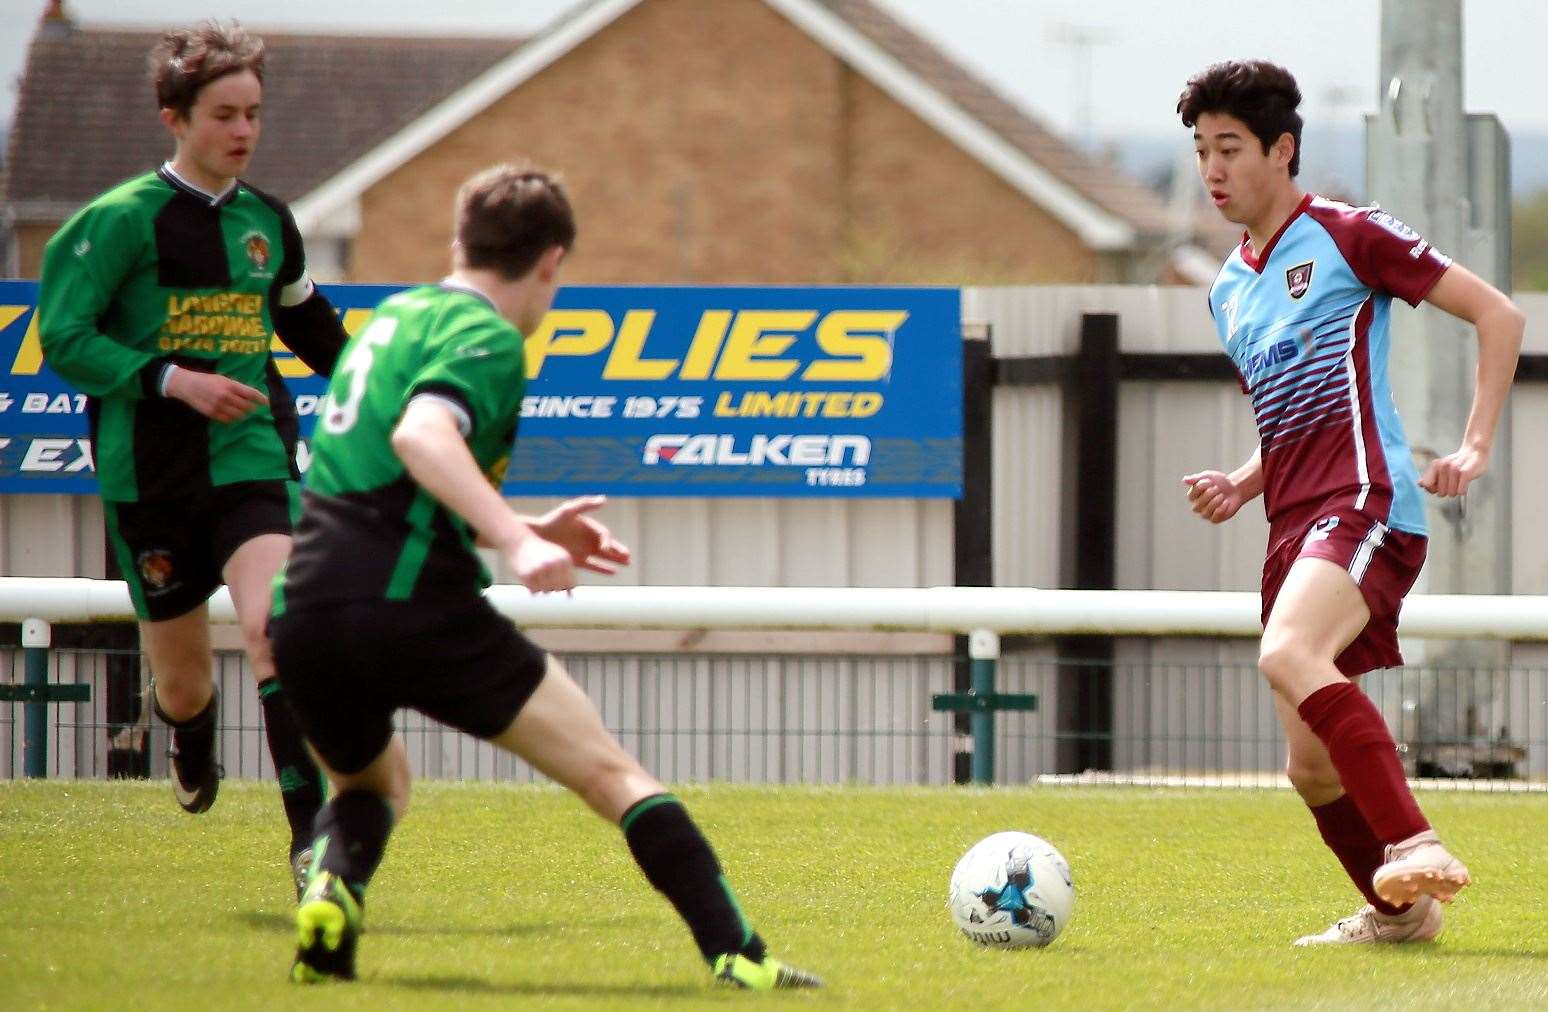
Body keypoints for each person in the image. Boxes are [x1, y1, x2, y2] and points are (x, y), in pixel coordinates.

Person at [270, 162, 820, 991]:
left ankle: (330, 911)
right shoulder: (490, 336)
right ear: (552, 262)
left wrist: (525, 526)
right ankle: (740, 955)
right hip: (412, 607)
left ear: (460, 239)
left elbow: (391, 478)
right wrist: (516, 544)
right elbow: (424, 437)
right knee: (611, 772)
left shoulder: (394, 318)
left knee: (371, 784)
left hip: (304, 605)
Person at [1176, 61, 1524, 946]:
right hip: (1293, 524)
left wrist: (1476, 444)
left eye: (1231, 148)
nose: (1212, 169)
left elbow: (1499, 316)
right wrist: (1243, 480)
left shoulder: (1347, 235)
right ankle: (1400, 914)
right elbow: (1291, 411)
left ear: (1282, 150)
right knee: (1309, 769)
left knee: (1287, 650)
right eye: (1201, 150)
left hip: (1365, 505)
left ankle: (1416, 842)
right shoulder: (1227, 288)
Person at [37, 22, 347, 896]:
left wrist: (388, 395)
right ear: (174, 116)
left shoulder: (268, 223)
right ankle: (188, 728)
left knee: (277, 631)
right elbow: (63, 337)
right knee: (181, 678)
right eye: (224, 114)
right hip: (151, 479)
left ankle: (312, 848)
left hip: (251, 461)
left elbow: (309, 324)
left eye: (253, 113)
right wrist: (174, 380)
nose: (243, 132)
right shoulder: (118, 222)